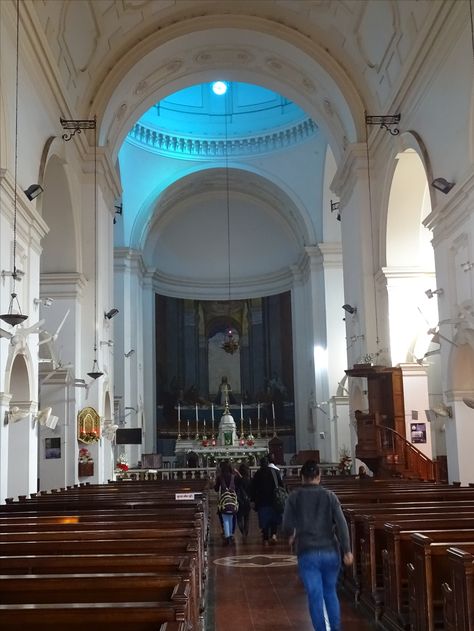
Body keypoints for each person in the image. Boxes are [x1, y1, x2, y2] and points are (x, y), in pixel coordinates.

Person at [282, 460, 353, 631]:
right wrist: (347, 550)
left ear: (302, 477)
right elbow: (342, 524)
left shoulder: (294, 496)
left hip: (307, 552)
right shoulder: (330, 496)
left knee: (315, 595)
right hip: (330, 551)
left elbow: (286, 524)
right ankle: (335, 628)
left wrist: (290, 534)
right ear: (319, 476)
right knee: (330, 592)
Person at [250, 456, 283, 546]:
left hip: (262, 500)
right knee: (274, 518)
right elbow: (281, 485)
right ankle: (273, 535)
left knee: (264, 519)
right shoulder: (275, 472)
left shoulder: (258, 473)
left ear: (260, 464)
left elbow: (253, 488)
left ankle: (265, 537)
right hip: (274, 499)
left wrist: (252, 500)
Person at [214, 460, 237, 545]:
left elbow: (216, 489)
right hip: (232, 499)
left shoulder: (220, 477)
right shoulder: (233, 477)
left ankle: (227, 536)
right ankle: (230, 534)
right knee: (230, 517)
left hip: (223, 500)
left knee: (225, 518)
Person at [235, 462, 252, 541]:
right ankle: (246, 532)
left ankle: (242, 531)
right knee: (247, 518)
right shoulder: (249, 479)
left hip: (239, 500)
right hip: (247, 500)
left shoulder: (236, 478)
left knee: (239, 518)